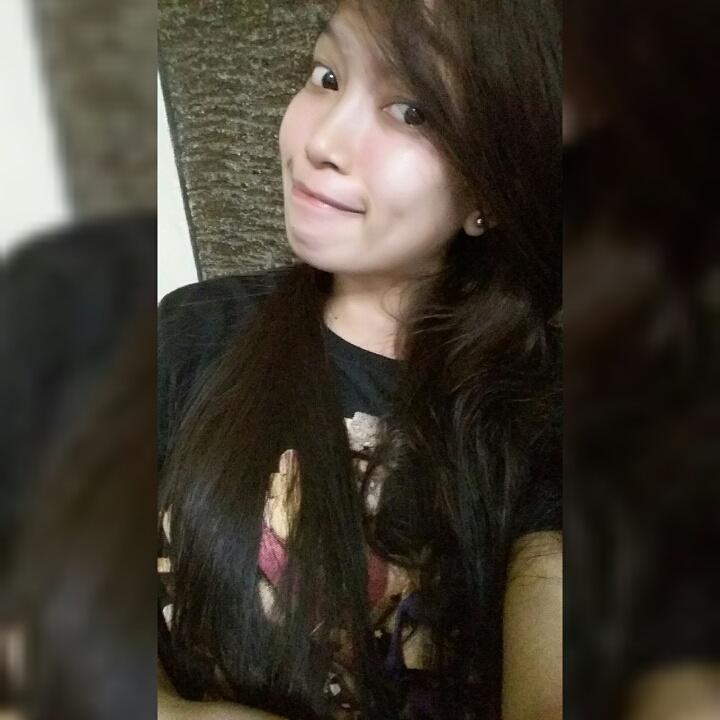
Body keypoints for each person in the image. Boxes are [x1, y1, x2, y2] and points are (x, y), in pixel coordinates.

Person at [158, 1, 561, 719]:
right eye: (326, 76)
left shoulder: (539, 404)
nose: (322, 141)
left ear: (488, 191)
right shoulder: (194, 331)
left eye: (412, 112)